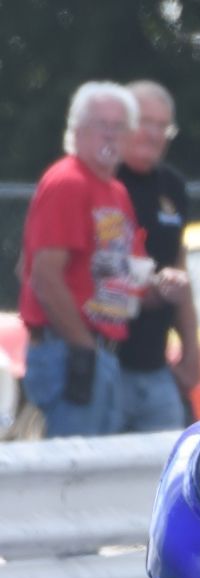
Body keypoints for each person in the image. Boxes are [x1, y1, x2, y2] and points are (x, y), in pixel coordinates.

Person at [18, 81, 154, 437]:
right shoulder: (68, 182)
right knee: (71, 478)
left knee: (93, 476)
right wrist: (82, 348)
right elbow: (43, 276)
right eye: (100, 124)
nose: (109, 134)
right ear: (76, 130)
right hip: (70, 352)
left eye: (118, 126)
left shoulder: (115, 191)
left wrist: (164, 286)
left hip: (100, 350)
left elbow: (129, 274)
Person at [116, 80, 200, 431]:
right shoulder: (103, 180)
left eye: (162, 125)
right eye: (144, 122)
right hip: (107, 362)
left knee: (164, 467)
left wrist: (192, 351)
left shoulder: (173, 187)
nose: (153, 134)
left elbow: (179, 272)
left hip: (156, 364)